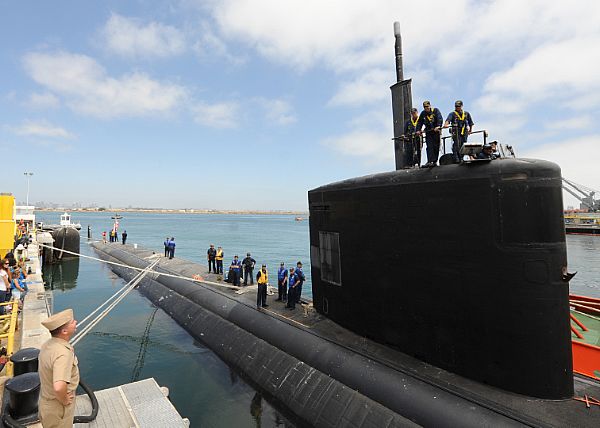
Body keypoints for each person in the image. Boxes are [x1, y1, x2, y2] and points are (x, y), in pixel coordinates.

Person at [39, 308, 80, 428]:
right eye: (72, 322)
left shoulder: (49, 344)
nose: (76, 322)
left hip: (46, 402)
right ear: (64, 331)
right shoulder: (63, 353)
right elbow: (58, 387)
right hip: (58, 407)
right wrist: (65, 401)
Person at [416, 100, 443, 167]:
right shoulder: (423, 113)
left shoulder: (435, 111)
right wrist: (418, 130)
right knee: (429, 146)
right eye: (425, 107)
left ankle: (434, 161)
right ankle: (430, 161)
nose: (426, 108)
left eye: (427, 107)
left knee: (436, 146)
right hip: (429, 132)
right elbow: (419, 122)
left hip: (436, 131)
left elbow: (440, 118)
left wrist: (438, 126)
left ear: (430, 106)